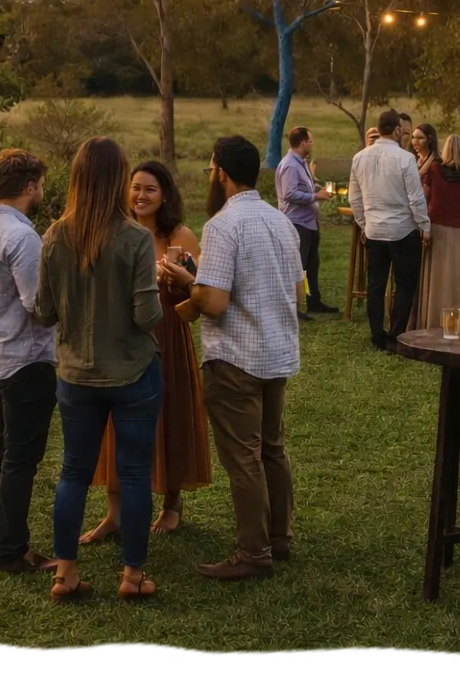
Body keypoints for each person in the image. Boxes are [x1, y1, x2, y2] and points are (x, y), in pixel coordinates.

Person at [163, 136, 303, 580]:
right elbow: (297, 288)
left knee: (243, 457)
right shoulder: (281, 222)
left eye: (210, 171)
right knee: (272, 450)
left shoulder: (224, 226)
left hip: (236, 357)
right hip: (276, 351)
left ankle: (253, 552)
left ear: (220, 172)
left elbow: (216, 302)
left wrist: (189, 282)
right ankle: (279, 538)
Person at [35, 137, 162, 603]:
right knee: (134, 474)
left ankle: (65, 573)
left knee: (73, 473)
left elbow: (44, 312)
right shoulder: (134, 238)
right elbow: (147, 315)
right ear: (117, 180)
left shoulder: (54, 235)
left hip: (75, 374)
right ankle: (131, 576)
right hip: (133, 372)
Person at [80, 160, 213, 544]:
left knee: (168, 413)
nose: (140, 195)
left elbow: (198, 290)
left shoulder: (180, 235)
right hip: (120, 339)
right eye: (135, 187)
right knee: (115, 423)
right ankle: (114, 514)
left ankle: (172, 504)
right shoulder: (114, 231)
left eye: (150, 189)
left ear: (165, 194)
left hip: (166, 336)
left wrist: (179, 280)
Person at [0, 148, 60, 575]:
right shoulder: (22, 237)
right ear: (31, 187)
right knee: (20, 456)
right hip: (25, 359)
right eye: (40, 185)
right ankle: (12, 551)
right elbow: (39, 306)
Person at [348, 110, 430, 351]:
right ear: (396, 130)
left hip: (374, 230)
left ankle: (376, 336)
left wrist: (364, 223)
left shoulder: (359, 157)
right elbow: (415, 197)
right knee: (404, 285)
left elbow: (355, 197)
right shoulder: (404, 159)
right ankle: (395, 336)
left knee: (376, 284)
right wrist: (424, 225)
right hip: (403, 230)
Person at [417, 136, 460, 331]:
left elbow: (423, 198)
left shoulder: (433, 171)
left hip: (438, 230)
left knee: (438, 278)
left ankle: (433, 322)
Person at [274, 127, 337, 320]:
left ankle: (313, 301)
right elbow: (289, 193)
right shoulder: (291, 166)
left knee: (311, 263)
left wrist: (316, 189)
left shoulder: (301, 163)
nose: (312, 144)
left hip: (309, 222)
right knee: (298, 265)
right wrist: (315, 195)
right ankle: (295, 306)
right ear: (302, 142)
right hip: (297, 223)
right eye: (310, 141)